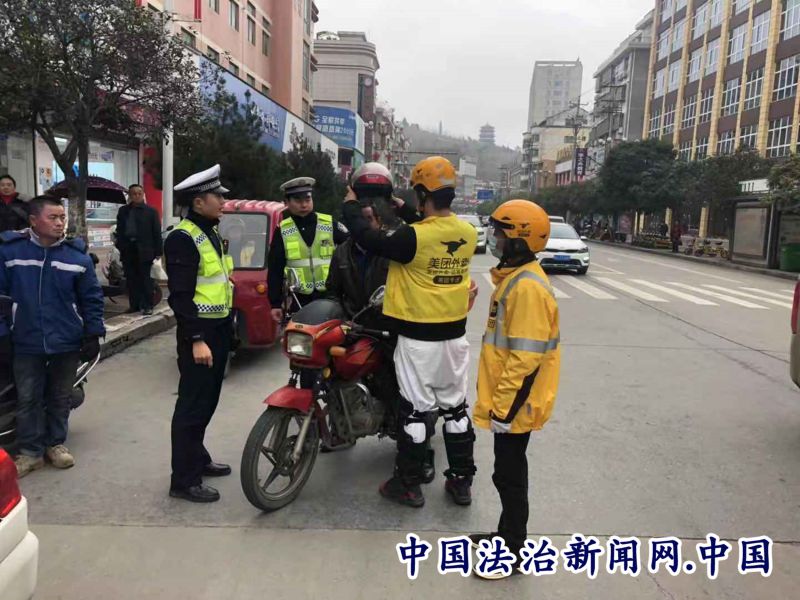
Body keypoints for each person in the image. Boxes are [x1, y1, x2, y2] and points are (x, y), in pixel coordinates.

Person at [341, 156, 478, 508]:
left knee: (415, 411)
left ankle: (408, 484)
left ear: (422, 194)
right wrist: (403, 208)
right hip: (454, 339)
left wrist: (351, 207)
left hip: (418, 340)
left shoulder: (411, 238)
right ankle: (461, 482)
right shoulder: (466, 233)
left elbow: (369, 238)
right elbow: (430, 231)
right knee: (456, 409)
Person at [469, 200, 561, 580]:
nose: (494, 238)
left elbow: (526, 360)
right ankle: (506, 536)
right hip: (510, 402)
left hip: (516, 404)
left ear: (519, 241)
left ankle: (512, 553)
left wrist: (503, 410)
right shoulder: (516, 279)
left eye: (500, 233)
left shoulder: (527, 289)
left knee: (509, 476)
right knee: (505, 473)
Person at [0, 196, 105, 478]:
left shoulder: (76, 256)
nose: (60, 223)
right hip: (25, 339)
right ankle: (30, 452)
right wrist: (3, 334)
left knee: (60, 396)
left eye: (62, 217)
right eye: (53, 217)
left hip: (66, 339)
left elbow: (92, 298)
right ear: (33, 220)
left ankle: (55, 444)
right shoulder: (10, 253)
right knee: (28, 398)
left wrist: (93, 332)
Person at [164, 165, 234, 503]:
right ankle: (183, 480)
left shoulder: (210, 233)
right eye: (217, 196)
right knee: (192, 406)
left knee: (208, 401)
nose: (223, 201)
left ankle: (198, 458)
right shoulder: (183, 237)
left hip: (218, 328)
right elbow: (180, 296)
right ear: (198, 202)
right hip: (200, 332)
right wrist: (196, 340)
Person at [267, 177, 349, 324]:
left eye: (307, 199)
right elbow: (275, 269)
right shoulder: (283, 230)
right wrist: (275, 303)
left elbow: (352, 249)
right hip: (300, 299)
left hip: (330, 297)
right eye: (298, 200)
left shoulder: (329, 224)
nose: (304, 204)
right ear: (287, 203)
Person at [115, 184, 163, 315]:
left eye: (139, 193)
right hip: (128, 250)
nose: (136, 196)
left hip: (145, 251)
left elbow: (156, 232)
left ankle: (148, 305)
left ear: (143, 195)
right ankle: (134, 305)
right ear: (129, 196)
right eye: (134, 194)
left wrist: (158, 252)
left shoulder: (151, 212)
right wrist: (120, 245)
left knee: (146, 280)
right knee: (131, 280)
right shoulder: (123, 211)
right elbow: (119, 230)